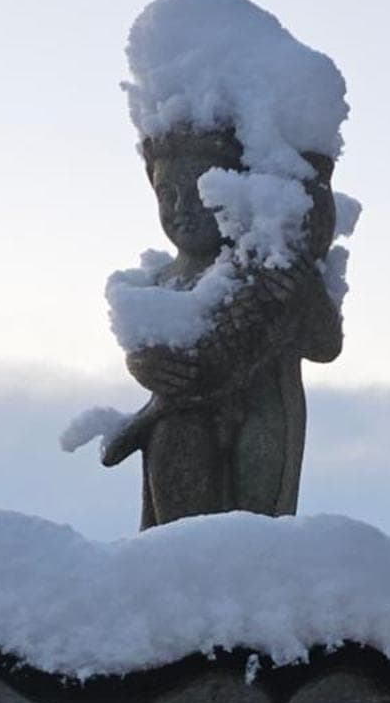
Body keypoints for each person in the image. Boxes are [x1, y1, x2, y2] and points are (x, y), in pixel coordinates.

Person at [101, 126, 344, 528]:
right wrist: (143, 364)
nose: (182, 208)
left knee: (253, 531)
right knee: (179, 512)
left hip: (262, 416)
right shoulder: (159, 280)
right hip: (178, 425)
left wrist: (306, 292)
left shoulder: (263, 267)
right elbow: (149, 348)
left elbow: (325, 345)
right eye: (167, 195)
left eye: (198, 194)